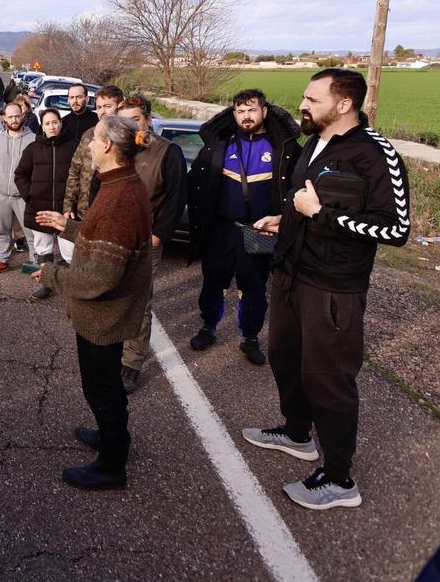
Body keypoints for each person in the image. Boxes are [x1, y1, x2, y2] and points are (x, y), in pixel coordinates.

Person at [243, 69, 410, 510]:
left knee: (329, 379)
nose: (303, 104)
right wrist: (288, 220)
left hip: (334, 287)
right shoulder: (314, 144)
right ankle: (298, 434)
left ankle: (339, 479)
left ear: (343, 105)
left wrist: (319, 215)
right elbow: (305, 201)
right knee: (283, 355)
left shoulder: (378, 155)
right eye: (304, 97)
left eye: (312, 99)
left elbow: (396, 229)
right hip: (291, 273)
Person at [31, 115, 152, 490]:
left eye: (93, 139)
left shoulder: (119, 197)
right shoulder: (122, 184)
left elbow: (99, 278)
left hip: (104, 314)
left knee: (102, 387)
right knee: (105, 386)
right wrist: (69, 227)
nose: (87, 145)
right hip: (108, 311)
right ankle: (111, 436)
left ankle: (112, 463)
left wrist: (50, 274)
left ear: (107, 146)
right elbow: (104, 242)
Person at [187, 89, 301, 365]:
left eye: (252, 110)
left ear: (264, 112)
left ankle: (250, 337)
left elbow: (296, 189)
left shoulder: (283, 148)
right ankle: (208, 328)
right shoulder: (220, 142)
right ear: (233, 114)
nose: (246, 116)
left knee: (253, 285)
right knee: (213, 280)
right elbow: (197, 184)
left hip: (259, 231)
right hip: (221, 228)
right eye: (240, 111)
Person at [116, 95, 187, 394]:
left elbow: (176, 197)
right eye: (125, 120)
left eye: (136, 119)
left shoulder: (168, 152)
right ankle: (112, 346)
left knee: (138, 301)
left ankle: (131, 363)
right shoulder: (119, 148)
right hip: (116, 236)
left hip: (146, 239)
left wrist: (159, 234)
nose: (131, 125)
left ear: (148, 119)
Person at [15, 110, 74, 292]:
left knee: (71, 252)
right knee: (43, 248)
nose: (52, 126)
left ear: (61, 123)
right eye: (47, 123)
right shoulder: (33, 149)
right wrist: (30, 196)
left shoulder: (74, 146)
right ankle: (46, 283)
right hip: (40, 208)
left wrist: (75, 202)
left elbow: (81, 176)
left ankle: (74, 286)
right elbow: (20, 175)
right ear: (42, 126)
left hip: (65, 210)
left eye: (55, 122)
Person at [0, 104, 36, 275]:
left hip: (23, 196)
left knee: (31, 231)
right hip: (1, 196)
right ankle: (3, 259)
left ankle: (36, 261)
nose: (14, 120)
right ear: (4, 119)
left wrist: (32, 193)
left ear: (22, 116)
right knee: (2, 231)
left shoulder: (34, 140)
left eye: (17, 116)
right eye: (10, 117)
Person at [63, 86, 123, 225]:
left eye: (108, 106)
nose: (103, 111)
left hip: (111, 217)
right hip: (84, 212)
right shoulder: (89, 135)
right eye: (99, 107)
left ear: (119, 107)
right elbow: (75, 171)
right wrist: (68, 205)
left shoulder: (125, 138)